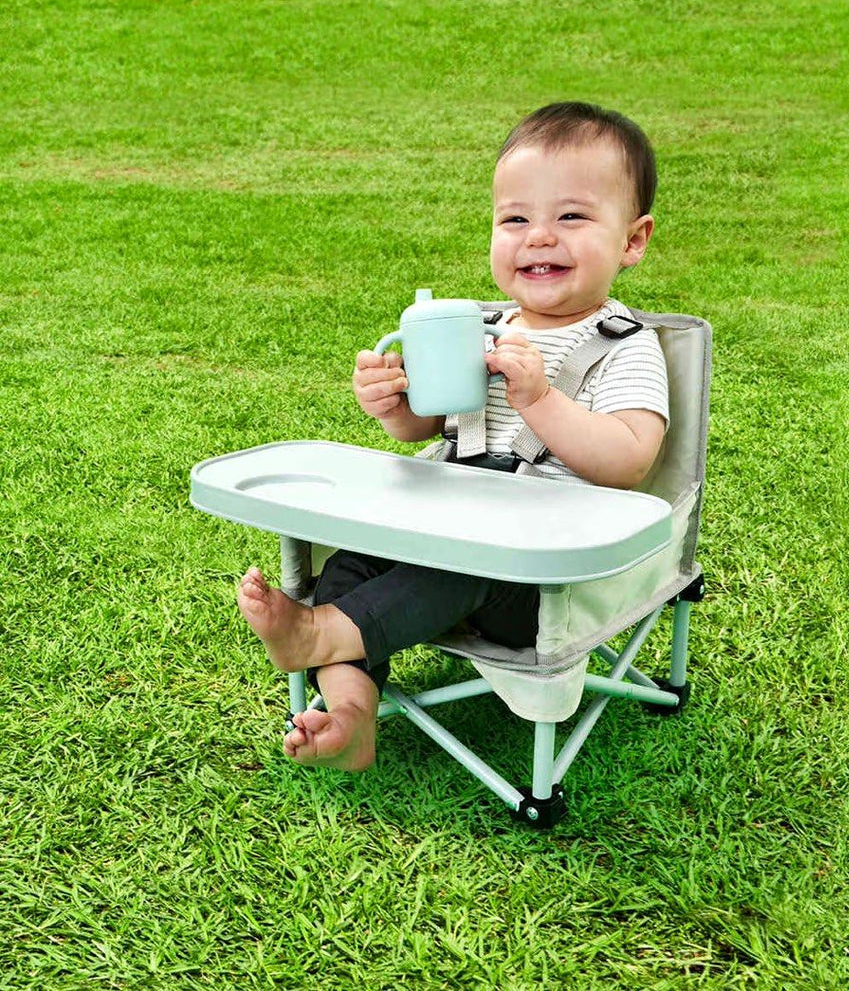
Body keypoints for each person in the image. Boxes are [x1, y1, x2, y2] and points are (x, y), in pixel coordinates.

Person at [236, 102, 670, 770]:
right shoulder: (479, 324)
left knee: (457, 563)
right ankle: (351, 716)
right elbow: (434, 429)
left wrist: (542, 399)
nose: (540, 237)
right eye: (516, 219)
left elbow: (630, 461)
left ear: (633, 240)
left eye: (572, 217)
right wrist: (393, 406)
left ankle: (319, 634)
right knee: (352, 563)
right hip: (448, 522)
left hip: (539, 578)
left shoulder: (625, 346)